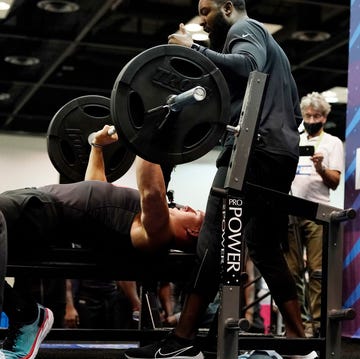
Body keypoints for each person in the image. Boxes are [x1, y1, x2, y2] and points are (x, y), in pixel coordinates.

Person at [123, 1, 317, 358]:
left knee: (212, 241)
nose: (205, 19)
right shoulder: (266, 47)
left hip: (253, 152)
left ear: (228, 7)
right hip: (278, 154)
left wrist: (193, 48)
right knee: (263, 247)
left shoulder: (246, 31)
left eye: (207, 10)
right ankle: (297, 342)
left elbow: (248, 67)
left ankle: (182, 341)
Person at [0, 124, 205, 359]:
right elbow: (95, 188)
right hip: (34, 204)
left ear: (193, 231)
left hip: (40, 211)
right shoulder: (131, 217)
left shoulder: (158, 232)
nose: (187, 206)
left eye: (195, 212)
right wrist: (97, 148)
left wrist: (143, 129)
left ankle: (26, 316)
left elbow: (152, 190)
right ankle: (25, 314)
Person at [284, 92, 344, 337]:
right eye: (308, 115)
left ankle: (316, 326)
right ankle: (295, 325)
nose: (311, 119)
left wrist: (320, 167)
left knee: (317, 273)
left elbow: (335, 182)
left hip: (318, 213)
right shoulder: (293, 138)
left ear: (325, 117)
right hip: (290, 211)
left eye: (316, 116)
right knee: (291, 271)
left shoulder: (332, 143)